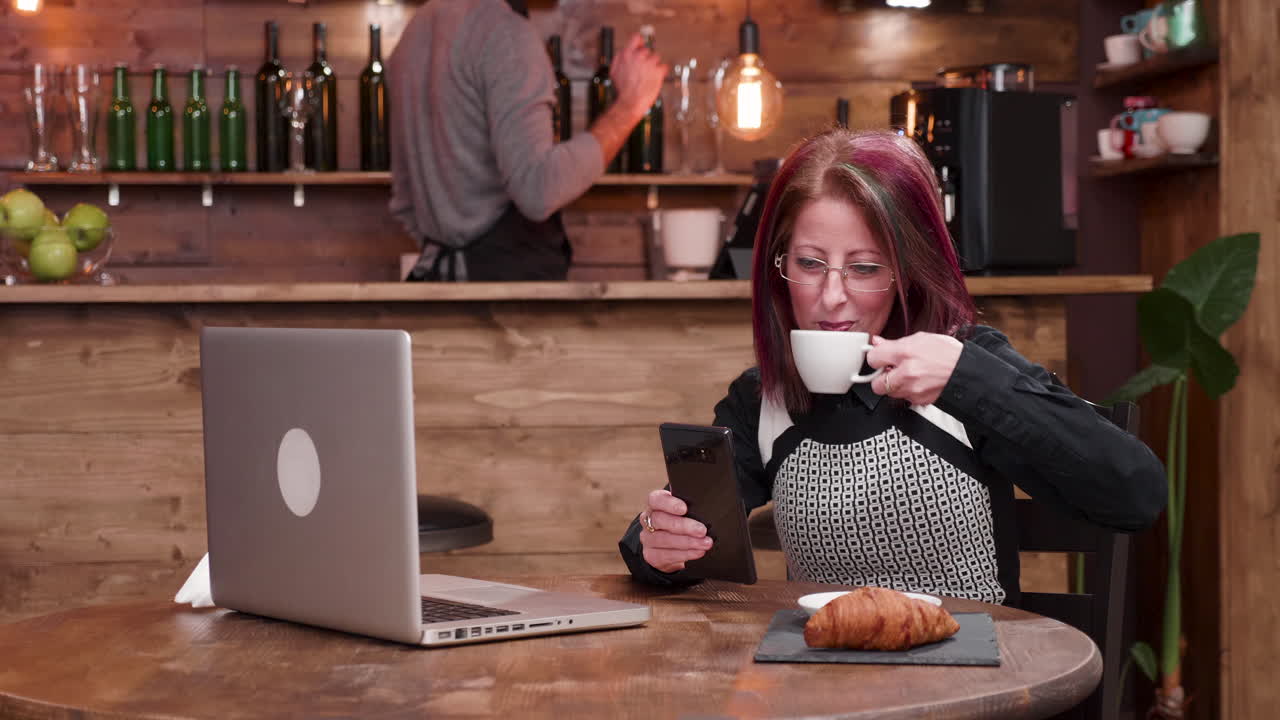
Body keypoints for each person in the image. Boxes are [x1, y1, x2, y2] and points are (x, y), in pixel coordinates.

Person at [618, 129, 1166, 605]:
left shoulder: (967, 368)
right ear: (778, 267)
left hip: (973, 689)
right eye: (810, 264)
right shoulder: (761, 401)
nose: (832, 296)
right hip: (826, 690)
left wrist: (967, 379)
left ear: (907, 272)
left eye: (864, 268)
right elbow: (668, 536)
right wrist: (657, 544)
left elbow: (1137, 494)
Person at [389, 0, 667, 281]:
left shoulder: (414, 34)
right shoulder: (504, 33)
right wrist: (630, 106)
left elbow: (404, 203)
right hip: (505, 305)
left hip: (436, 289)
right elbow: (538, 190)